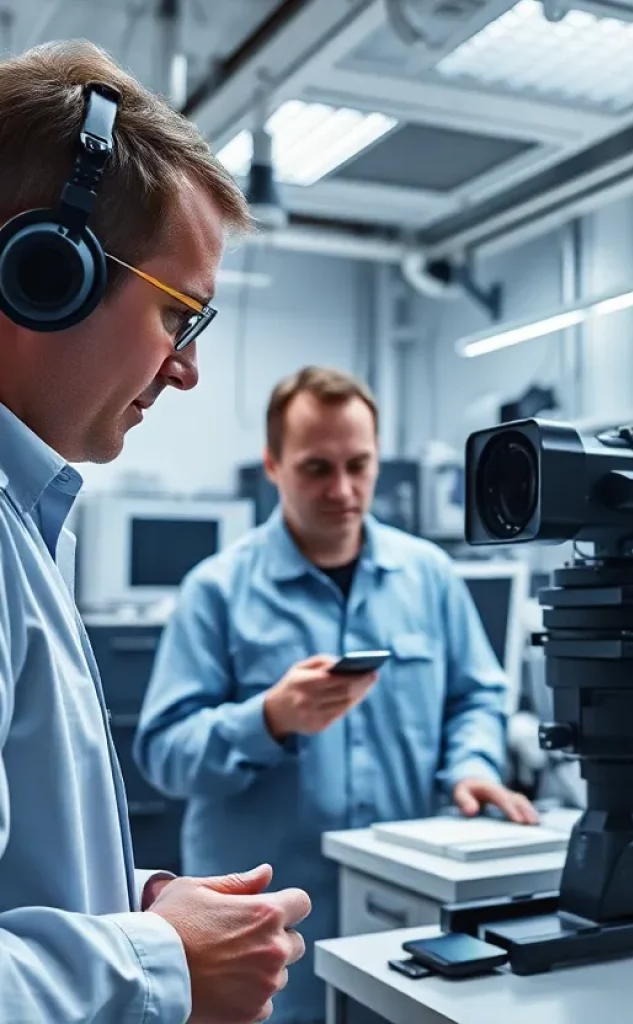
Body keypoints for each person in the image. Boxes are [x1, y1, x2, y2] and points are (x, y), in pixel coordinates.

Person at [0, 41, 311, 1024]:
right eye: (181, 314)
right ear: (44, 272)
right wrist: (157, 960)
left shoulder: (26, 519)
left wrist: (125, 907)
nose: (184, 370)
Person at [134, 366, 538, 1022]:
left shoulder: (429, 576)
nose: (344, 490)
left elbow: (476, 696)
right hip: (267, 936)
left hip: (404, 913)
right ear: (272, 464)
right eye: (317, 468)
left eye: (360, 464)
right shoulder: (217, 590)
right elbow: (163, 753)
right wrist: (268, 718)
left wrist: (473, 765)